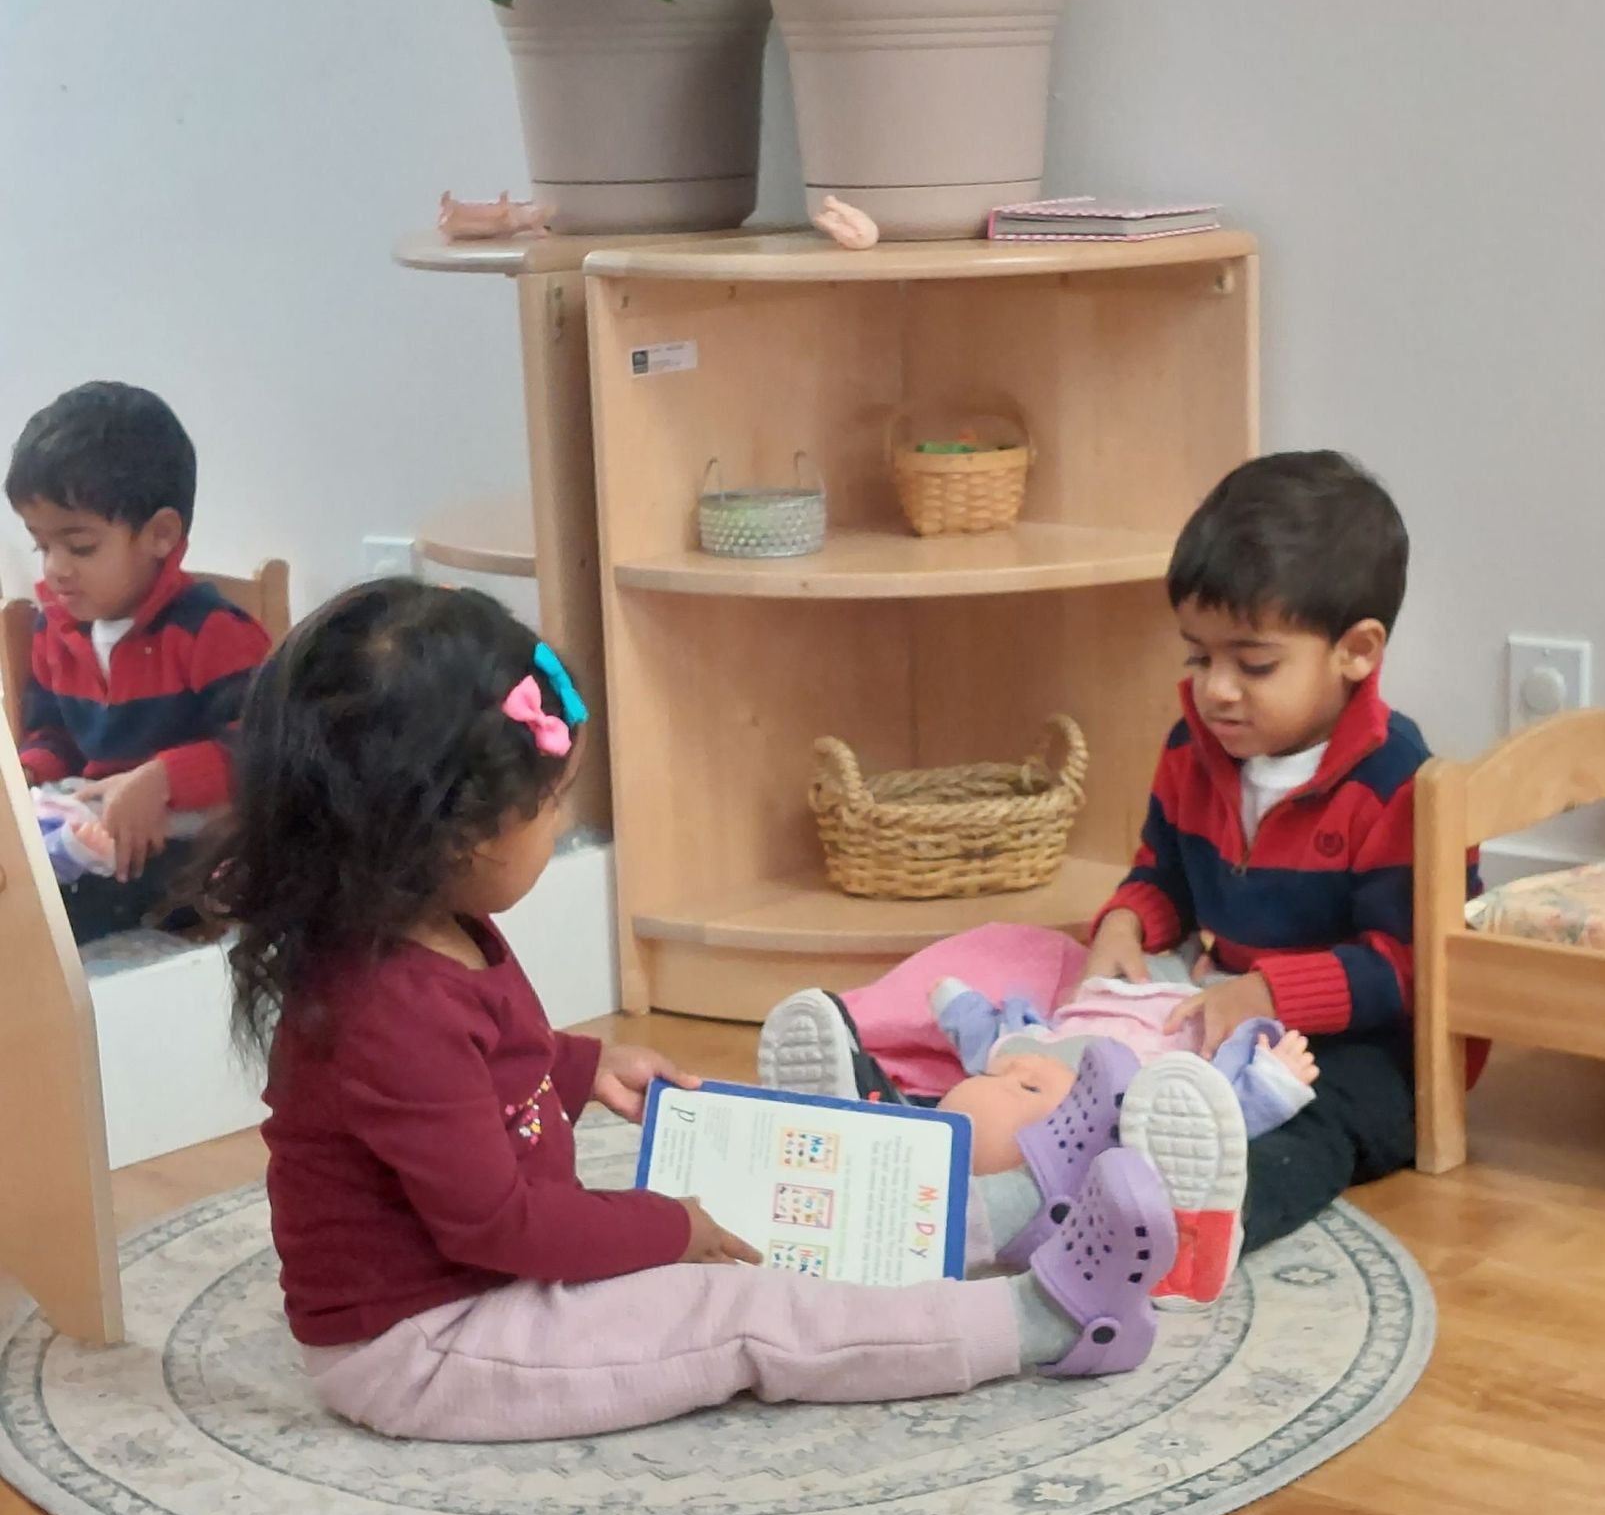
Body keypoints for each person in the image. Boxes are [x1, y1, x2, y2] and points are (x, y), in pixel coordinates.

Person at [217, 580, 1207, 1446]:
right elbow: (502, 1225)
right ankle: (1049, 1321)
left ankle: (1027, 1208)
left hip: (497, 1276)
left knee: (780, 1203)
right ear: (448, 834)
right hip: (431, 1342)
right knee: (743, 1304)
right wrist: (667, 1230)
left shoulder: (434, 927)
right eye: (552, 805)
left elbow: (482, 1064)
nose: (560, 825)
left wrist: (579, 1068)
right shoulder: (384, 1006)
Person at [761, 452, 1471, 1303]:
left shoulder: (1402, 783)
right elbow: (1160, 876)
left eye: (1254, 664)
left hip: (1342, 1047)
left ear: (1356, 652)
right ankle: (870, 1070)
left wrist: (1272, 998)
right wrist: (1127, 925)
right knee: (1021, 956)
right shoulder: (1196, 751)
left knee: (1325, 1124)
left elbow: (1408, 964)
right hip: (1196, 1003)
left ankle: (1198, 1219)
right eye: (1200, 656)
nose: (1216, 691)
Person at [5, 381, 271, 943]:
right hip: (94, 827)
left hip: (187, 846)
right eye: (40, 545)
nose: (55, 569)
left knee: (41, 923)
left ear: (160, 535)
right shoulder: (54, 627)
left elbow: (266, 749)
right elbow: (54, 732)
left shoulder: (213, 632)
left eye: (80, 548)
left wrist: (163, 779)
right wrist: (28, 772)